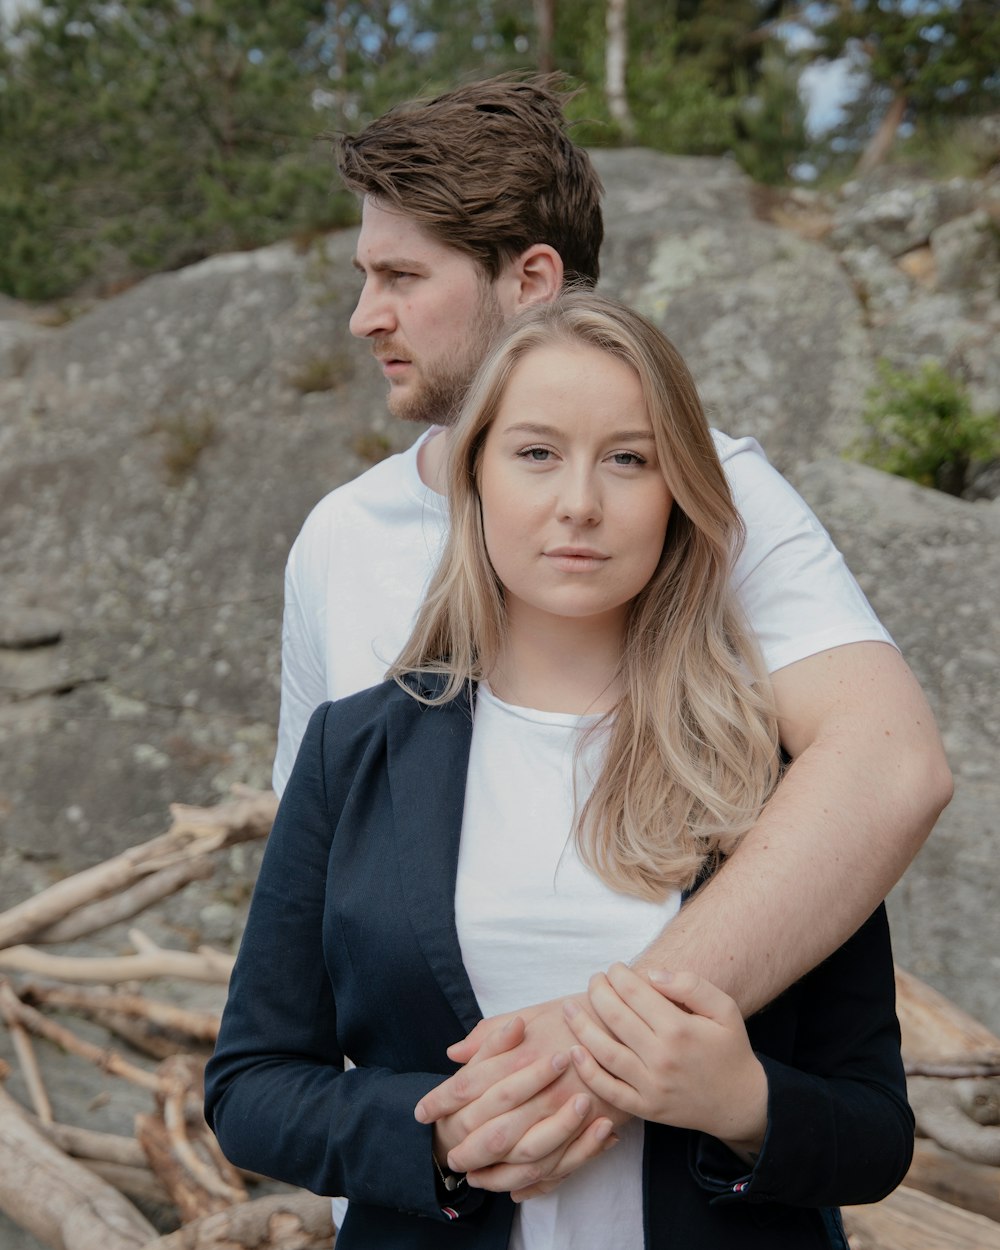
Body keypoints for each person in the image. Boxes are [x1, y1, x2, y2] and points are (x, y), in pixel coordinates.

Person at [270, 75, 951, 1193]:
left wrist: (597, 1051)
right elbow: (305, 930)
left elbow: (889, 761)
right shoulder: (339, 540)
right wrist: (411, 1144)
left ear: (529, 280)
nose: (365, 315)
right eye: (364, 276)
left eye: (401, 276)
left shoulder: (710, 493)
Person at [206, 294, 914, 1249]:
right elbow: (251, 1086)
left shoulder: (775, 773)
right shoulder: (355, 750)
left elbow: (875, 1133)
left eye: (629, 459)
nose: (580, 501)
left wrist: (742, 1103)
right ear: (477, 478)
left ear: (680, 493)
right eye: (537, 453)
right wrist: (434, 1132)